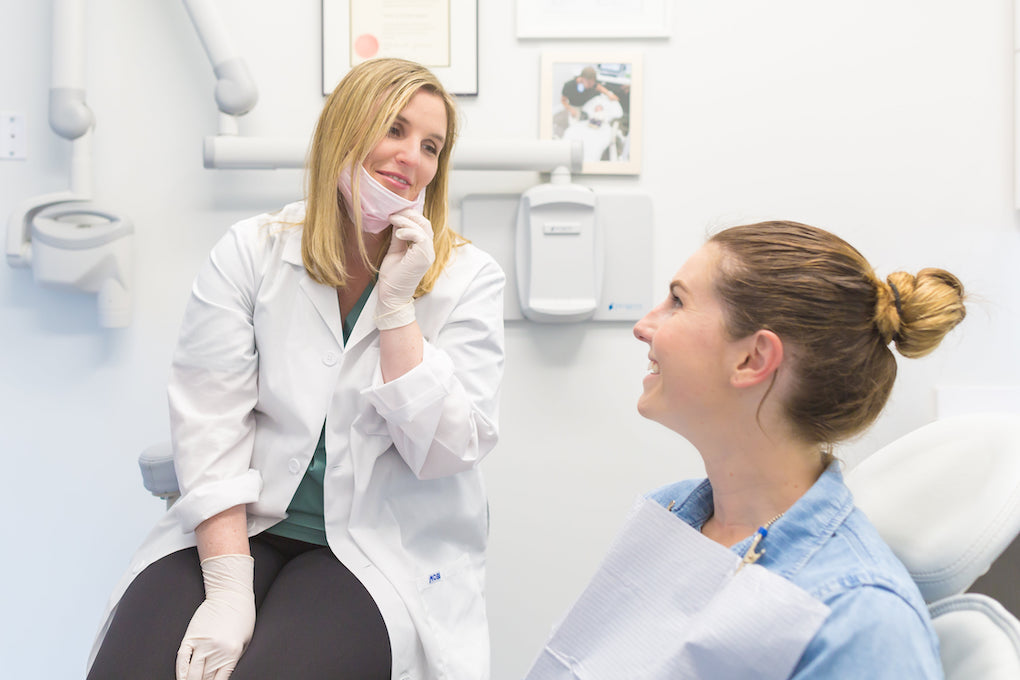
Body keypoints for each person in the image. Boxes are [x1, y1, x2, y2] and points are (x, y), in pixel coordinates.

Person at [86, 58, 505, 680]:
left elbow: (444, 451)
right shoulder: (251, 251)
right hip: (241, 524)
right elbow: (210, 422)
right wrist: (228, 589)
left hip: (371, 546)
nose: (411, 156)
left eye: (431, 146)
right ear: (344, 128)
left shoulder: (468, 277)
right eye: (393, 128)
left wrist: (396, 309)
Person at [528, 221, 965, 679]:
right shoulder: (674, 513)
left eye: (677, 301)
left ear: (752, 359)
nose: (644, 326)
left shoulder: (861, 621)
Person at [552, 65, 619, 138]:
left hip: (588, 105)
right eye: (589, 83)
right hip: (575, 107)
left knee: (599, 120)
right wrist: (571, 109)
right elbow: (563, 101)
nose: (591, 85)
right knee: (574, 126)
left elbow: (598, 87)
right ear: (582, 79)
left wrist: (609, 94)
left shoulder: (592, 84)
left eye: (593, 83)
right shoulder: (569, 85)